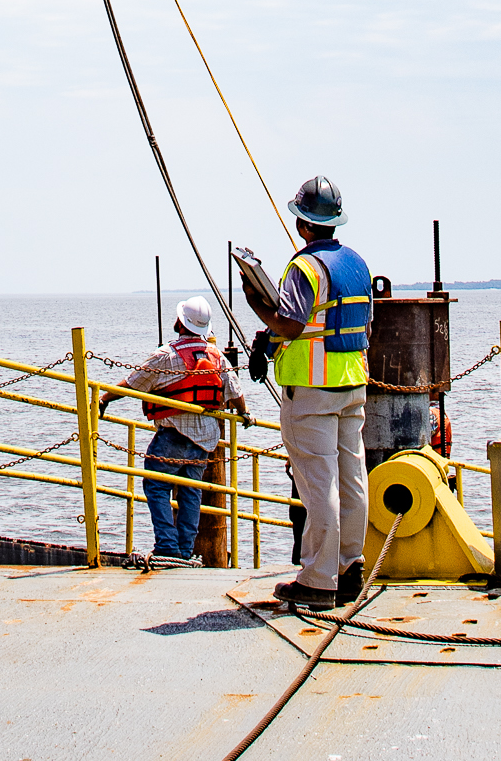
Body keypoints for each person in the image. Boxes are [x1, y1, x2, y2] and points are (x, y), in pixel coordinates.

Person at [241, 175, 372, 614]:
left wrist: (256, 303)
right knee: (353, 479)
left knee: (319, 484)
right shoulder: (355, 265)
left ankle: (318, 581)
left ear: (302, 223)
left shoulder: (305, 268)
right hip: (352, 382)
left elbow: (292, 324)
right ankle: (351, 569)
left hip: (312, 390)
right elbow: (342, 325)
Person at [100, 296, 248, 565]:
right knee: (191, 491)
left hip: (174, 434)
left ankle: (167, 546)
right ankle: (184, 550)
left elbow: (133, 383)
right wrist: (244, 413)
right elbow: (235, 391)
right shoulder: (216, 356)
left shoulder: (166, 355)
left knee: (156, 486)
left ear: (181, 321)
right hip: (205, 439)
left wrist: (104, 399)